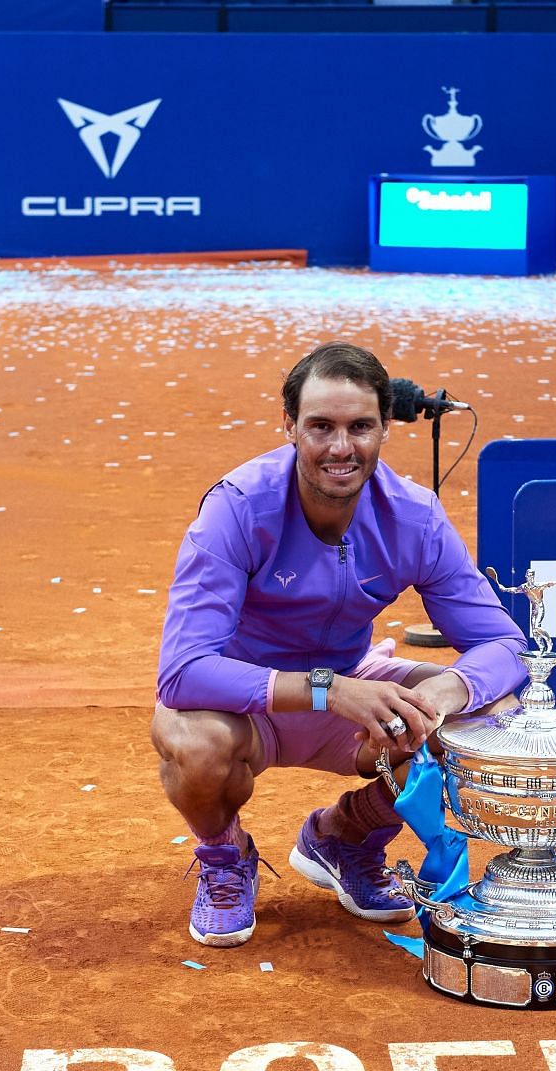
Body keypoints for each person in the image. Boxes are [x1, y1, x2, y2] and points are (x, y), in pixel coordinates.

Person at [153, 341, 527, 948]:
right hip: (248, 707)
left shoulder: (415, 517)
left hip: (355, 699)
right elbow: (183, 673)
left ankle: (345, 835)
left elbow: (506, 648)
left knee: (491, 720)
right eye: (321, 426)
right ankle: (225, 859)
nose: (340, 447)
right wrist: (328, 690)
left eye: (360, 427)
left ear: (384, 428)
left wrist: (442, 690)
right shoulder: (238, 508)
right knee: (194, 743)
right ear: (289, 426)